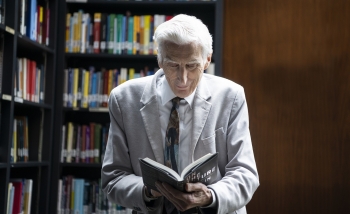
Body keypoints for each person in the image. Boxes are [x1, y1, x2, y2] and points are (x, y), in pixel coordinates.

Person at [102, 14, 259, 214]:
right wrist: (148, 191)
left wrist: (209, 196)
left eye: (192, 65)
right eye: (173, 65)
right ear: (159, 59)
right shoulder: (124, 99)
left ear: (206, 60)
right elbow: (113, 178)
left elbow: (246, 174)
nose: (182, 79)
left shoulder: (231, 97)